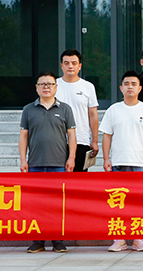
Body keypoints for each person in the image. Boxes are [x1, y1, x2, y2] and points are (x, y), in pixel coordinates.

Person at [101, 71, 143, 253]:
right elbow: (107, 136)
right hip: (118, 162)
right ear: (121, 88)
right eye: (126, 84)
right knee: (118, 203)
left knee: (139, 202)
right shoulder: (113, 110)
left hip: (139, 163)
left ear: (140, 88)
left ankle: (138, 239)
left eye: (134, 84)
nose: (130, 87)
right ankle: (119, 239)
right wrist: (106, 158)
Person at [21, 71, 76, 254]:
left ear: (56, 87)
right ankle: (38, 240)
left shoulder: (65, 109)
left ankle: (57, 240)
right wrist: (23, 159)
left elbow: (71, 136)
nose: (46, 87)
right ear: (36, 88)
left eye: (50, 84)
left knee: (57, 204)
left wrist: (71, 157)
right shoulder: (28, 109)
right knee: (37, 204)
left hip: (58, 164)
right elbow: (23, 136)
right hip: (35, 164)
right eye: (42, 84)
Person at [55, 49, 99, 172]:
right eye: (66, 63)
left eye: (74, 63)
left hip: (81, 139)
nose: (70, 66)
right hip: (57, 140)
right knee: (58, 179)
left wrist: (95, 141)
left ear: (79, 66)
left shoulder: (88, 87)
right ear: (61, 66)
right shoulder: (54, 86)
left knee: (79, 179)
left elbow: (93, 115)